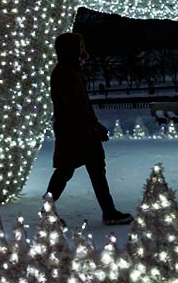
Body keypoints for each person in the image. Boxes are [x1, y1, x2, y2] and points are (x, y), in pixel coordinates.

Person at [45, 32, 134, 226]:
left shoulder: (68, 70)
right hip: (76, 132)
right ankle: (48, 211)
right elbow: (76, 106)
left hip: (78, 131)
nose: (83, 49)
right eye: (80, 46)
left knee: (87, 170)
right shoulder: (65, 73)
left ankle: (108, 211)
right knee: (67, 171)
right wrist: (94, 126)